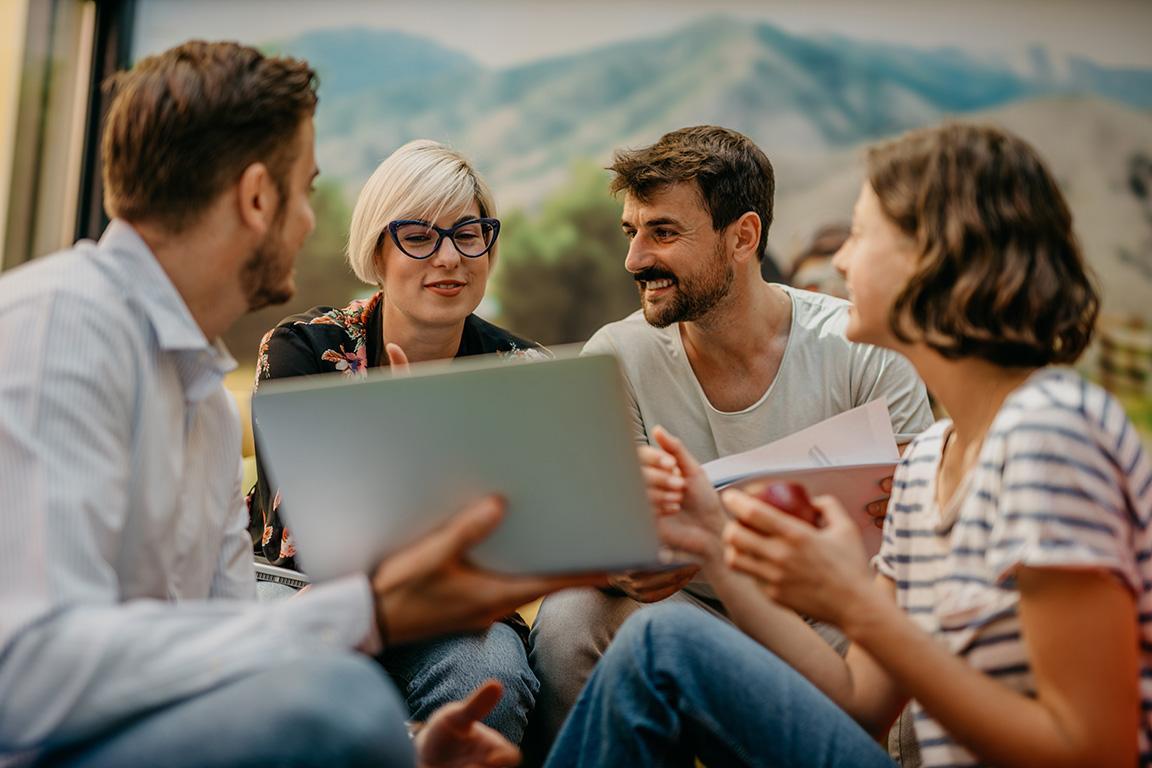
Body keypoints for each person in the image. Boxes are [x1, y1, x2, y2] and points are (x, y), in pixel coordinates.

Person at [0, 40, 598, 767]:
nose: (312, 222)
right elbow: (25, 677)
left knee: (409, 698)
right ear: (258, 198)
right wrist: (369, 621)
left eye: (467, 234)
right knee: (338, 706)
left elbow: (226, 648)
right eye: (307, 188)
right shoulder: (59, 326)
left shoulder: (204, 404)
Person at [545, 122, 1151, 768]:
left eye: (861, 235)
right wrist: (711, 546)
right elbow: (859, 701)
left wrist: (854, 606)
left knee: (661, 644)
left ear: (941, 257)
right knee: (658, 639)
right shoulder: (924, 463)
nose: (837, 261)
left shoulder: (1048, 435)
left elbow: (1098, 752)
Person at [527, 125, 934, 750]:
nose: (635, 259)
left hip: (825, 614)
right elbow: (613, 528)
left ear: (742, 237)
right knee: (571, 616)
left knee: (907, 627)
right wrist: (620, 567)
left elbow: (913, 527)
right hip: (685, 606)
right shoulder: (617, 354)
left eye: (663, 232)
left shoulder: (860, 349)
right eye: (631, 232)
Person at [250, 139, 548, 744]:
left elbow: (532, 533)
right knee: (297, 684)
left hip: (456, 611)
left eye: (469, 234)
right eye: (419, 235)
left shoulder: (522, 370)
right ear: (377, 249)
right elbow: (307, 525)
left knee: (492, 675)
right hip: (302, 595)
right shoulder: (302, 350)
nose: (449, 258)